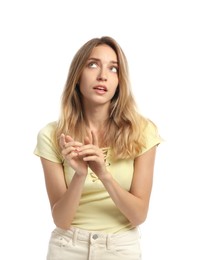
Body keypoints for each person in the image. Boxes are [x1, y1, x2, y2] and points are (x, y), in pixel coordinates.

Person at [34, 36, 162, 260]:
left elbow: (139, 215)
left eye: (113, 69)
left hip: (121, 248)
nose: (103, 75)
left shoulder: (142, 131)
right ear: (77, 76)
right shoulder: (52, 135)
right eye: (92, 65)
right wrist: (80, 175)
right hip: (67, 246)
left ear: (120, 81)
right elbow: (61, 220)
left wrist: (104, 174)